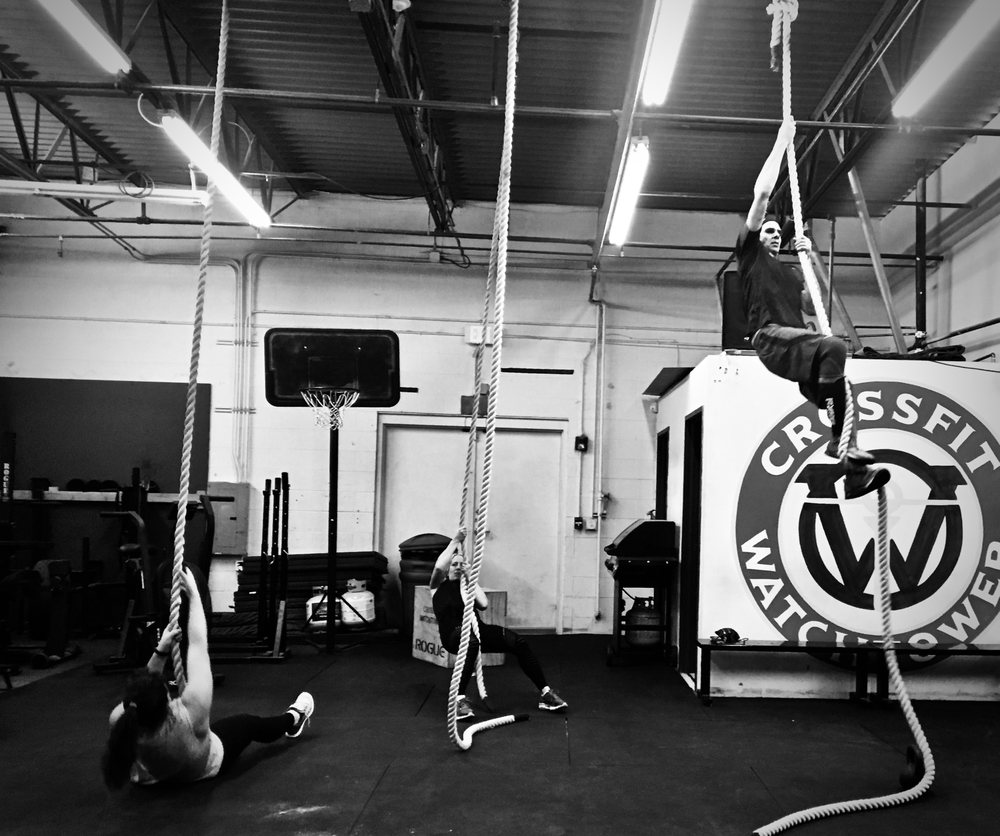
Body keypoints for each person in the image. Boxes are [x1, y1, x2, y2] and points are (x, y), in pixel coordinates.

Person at [737, 118, 889, 500]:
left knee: (845, 396)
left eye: (778, 232)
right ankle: (839, 442)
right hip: (770, 338)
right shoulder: (751, 256)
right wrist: (781, 141)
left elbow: (812, 302)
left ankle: (854, 474)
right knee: (834, 346)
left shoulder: (790, 272)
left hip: (793, 346)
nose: (775, 234)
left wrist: (811, 260)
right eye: (768, 230)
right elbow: (761, 194)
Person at [102, 565, 314, 788]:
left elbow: (145, 688)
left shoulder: (122, 718)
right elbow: (198, 646)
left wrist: (162, 650)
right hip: (200, 770)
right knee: (248, 723)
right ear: (165, 705)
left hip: (153, 779)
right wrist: (195, 596)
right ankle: (294, 718)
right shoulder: (190, 714)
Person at [429, 528, 567, 720]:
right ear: (448, 568)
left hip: (477, 632)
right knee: (471, 643)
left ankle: (546, 694)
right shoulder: (437, 587)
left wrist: (470, 577)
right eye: (454, 564)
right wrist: (455, 541)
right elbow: (438, 568)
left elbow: (484, 604)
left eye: (461, 564)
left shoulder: (467, 587)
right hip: (453, 635)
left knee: (518, 643)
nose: (458, 567)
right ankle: (458, 700)